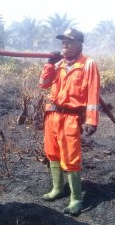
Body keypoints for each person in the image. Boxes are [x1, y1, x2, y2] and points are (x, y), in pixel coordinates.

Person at [39, 28, 100, 215]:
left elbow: (93, 95)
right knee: (52, 153)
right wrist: (49, 65)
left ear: (79, 44)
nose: (64, 44)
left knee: (71, 157)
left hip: (71, 118)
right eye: (63, 41)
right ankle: (57, 188)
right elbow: (43, 84)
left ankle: (76, 199)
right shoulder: (58, 64)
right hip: (53, 115)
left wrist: (91, 120)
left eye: (69, 41)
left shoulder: (88, 65)